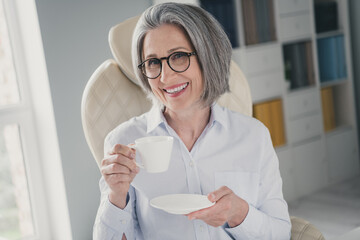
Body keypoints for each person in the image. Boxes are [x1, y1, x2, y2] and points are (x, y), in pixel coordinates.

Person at [94, 2, 291, 239]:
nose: (165, 77)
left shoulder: (253, 136)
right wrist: (116, 196)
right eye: (153, 62)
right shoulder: (123, 141)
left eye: (178, 56)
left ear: (209, 55)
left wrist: (238, 212)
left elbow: (281, 234)